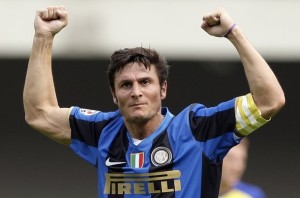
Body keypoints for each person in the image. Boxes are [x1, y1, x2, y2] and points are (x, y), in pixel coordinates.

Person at [23, 5, 285, 198]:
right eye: (126, 85)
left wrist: (233, 33)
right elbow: (39, 113)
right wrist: (43, 37)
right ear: (114, 96)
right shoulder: (101, 131)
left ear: (163, 90)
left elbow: (269, 100)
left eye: (145, 82)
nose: (136, 91)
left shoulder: (198, 129)